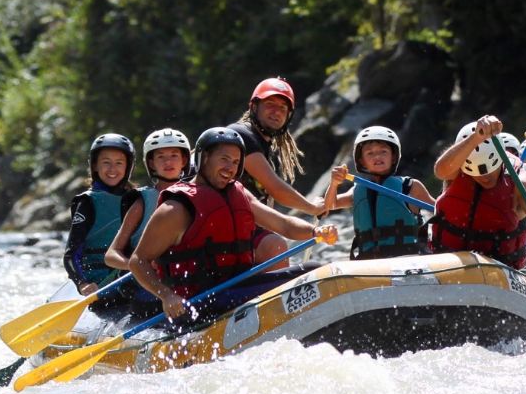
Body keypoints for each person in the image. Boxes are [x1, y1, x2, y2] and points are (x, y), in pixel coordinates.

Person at [129, 127, 338, 324]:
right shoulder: (176, 209)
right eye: (224, 159)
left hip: (239, 286)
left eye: (236, 162)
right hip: (201, 302)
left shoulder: (238, 193)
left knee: (315, 272)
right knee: (311, 281)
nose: (230, 168)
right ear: (204, 158)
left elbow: (283, 224)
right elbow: (138, 261)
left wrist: (315, 231)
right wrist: (166, 295)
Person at [429, 115, 526, 269]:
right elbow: (440, 171)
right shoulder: (455, 168)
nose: (485, 177)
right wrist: (476, 137)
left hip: (500, 266)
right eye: (477, 173)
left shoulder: (520, 180)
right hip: (449, 260)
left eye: (489, 171)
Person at [228, 77, 324, 267]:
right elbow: (276, 189)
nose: (276, 112)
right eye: (270, 104)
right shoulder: (242, 135)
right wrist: (312, 208)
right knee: (276, 246)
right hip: (225, 230)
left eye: (282, 108)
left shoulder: (264, 146)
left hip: (240, 230)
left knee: (273, 242)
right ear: (254, 107)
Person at [101, 129, 190, 316]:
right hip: (147, 282)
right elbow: (111, 254)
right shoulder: (143, 201)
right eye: (161, 156)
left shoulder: (197, 195)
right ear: (151, 163)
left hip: (183, 276)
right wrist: (136, 266)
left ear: (184, 161)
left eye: (174, 155)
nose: (168, 162)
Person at [323, 126, 436, 259]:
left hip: (407, 256)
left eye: (383, 152)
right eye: (370, 153)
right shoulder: (357, 190)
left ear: (393, 157)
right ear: (362, 161)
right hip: (369, 259)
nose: (377, 157)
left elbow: (440, 211)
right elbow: (330, 205)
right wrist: (334, 183)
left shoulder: (410, 186)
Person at [63, 133, 136, 296]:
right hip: (102, 286)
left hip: (131, 279)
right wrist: (82, 284)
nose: (112, 169)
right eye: (106, 163)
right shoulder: (87, 202)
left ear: (128, 167)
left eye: (119, 163)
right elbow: (71, 254)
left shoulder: (137, 198)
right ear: (95, 166)